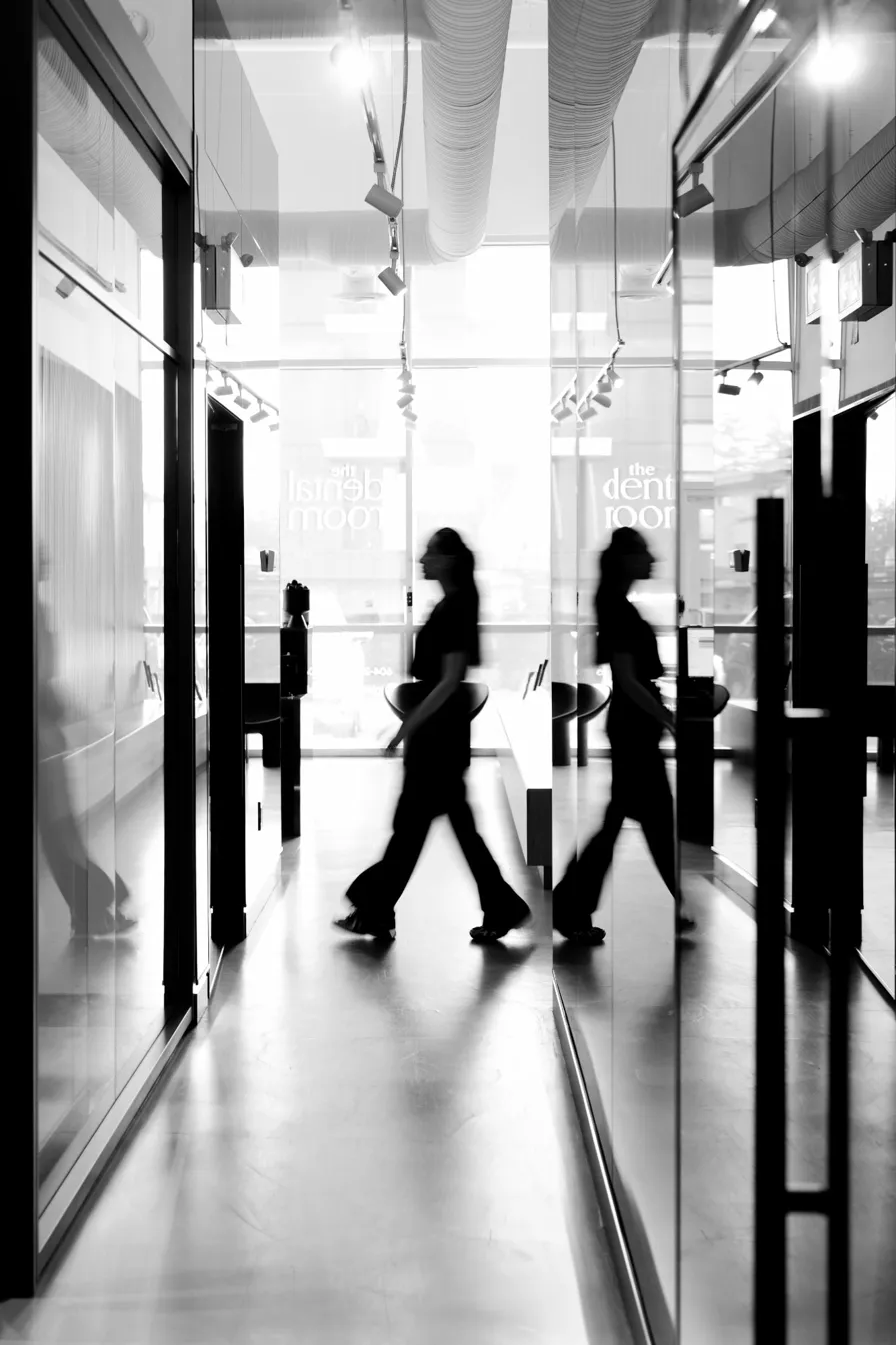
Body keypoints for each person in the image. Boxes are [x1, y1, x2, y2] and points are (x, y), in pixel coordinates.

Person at [335, 528, 531, 944]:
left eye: (429, 553)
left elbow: (449, 680)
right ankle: (498, 907)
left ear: (447, 560)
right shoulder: (452, 604)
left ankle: (375, 910)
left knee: (412, 829)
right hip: (441, 734)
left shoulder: (456, 607)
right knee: (437, 829)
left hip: (438, 736)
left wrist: (408, 725)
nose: (422, 560)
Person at [553, 527, 695, 945]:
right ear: (627, 560)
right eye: (644, 553)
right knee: (651, 819)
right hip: (634, 725)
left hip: (633, 724)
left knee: (631, 820)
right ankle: (575, 905)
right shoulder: (618, 609)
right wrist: (668, 718)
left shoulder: (616, 605)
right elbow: (629, 680)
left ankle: (574, 905)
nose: (652, 559)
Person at [37, 545, 136, 938]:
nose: (46, 563)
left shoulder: (39, 610)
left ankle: (93, 909)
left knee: (61, 835)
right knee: (61, 836)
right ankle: (94, 908)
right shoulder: (37, 612)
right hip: (43, 741)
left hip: (46, 738)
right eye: (40, 558)